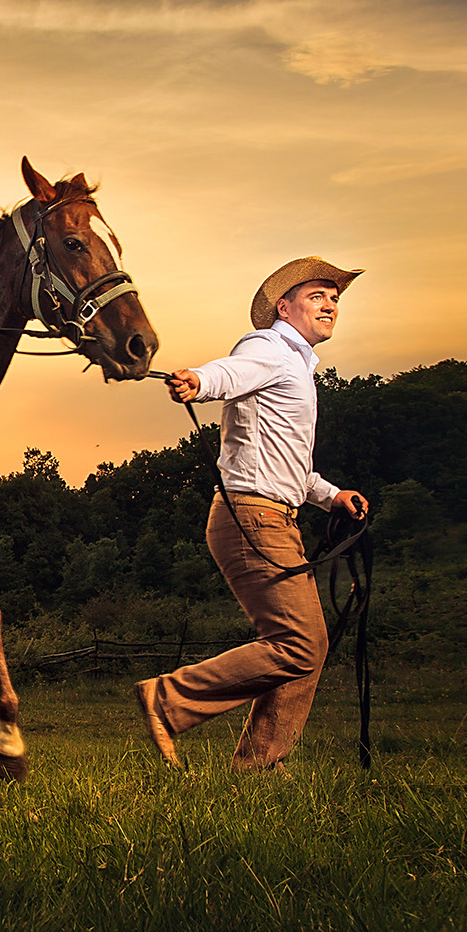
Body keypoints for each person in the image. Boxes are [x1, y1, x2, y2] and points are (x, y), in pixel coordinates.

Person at [136, 256, 367, 771]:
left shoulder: (298, 368)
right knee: (301, 643)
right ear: (284, 307)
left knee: (309, 645)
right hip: (252, 517)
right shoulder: (268, 348)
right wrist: (200, 379)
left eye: (334, 298)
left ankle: (258, 768)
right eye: (317, 296)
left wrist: (332, 496)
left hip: (275, 515)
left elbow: (291, 466)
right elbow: (232, 372)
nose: (330, 304)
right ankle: (169, 701)